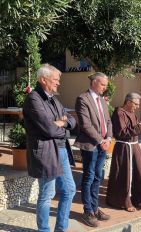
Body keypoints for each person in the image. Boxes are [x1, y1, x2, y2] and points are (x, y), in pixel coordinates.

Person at [23, 64, 76, 232]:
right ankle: (44, 230)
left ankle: (61, 229)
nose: (58, 83)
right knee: (47, 195)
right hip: (46, 152)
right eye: (55, 80)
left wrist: (62, 122)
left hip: (61, 150)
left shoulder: (53, 98)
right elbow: (48, 129)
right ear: (43, 79)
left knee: (69, 190)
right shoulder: (33, 99)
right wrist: (61, 126)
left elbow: (71, 120)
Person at [74, 72, 112, 227]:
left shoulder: (102, 100)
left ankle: (95, 208)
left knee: (98, 176)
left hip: (103, 145)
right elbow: (85, 124)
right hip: (90, 145)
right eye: (103, 84)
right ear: (94, 82)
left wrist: (108, 138)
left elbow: (108, 121)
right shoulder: (83, 99)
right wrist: (101, 140)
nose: (105, 88)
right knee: (89, 177)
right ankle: (87, 211)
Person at [106, 92, 141, 212]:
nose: (137, 107)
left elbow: (135, 130)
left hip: (134, 146)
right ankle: (123, 201)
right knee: (124, 175)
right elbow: (122, 132)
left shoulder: (133, 113)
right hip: (124, 148)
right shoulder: (119, 113)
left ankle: (138, 199)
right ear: (128, 102)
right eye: (136, 104)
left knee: (138, 173)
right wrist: (138, 127)